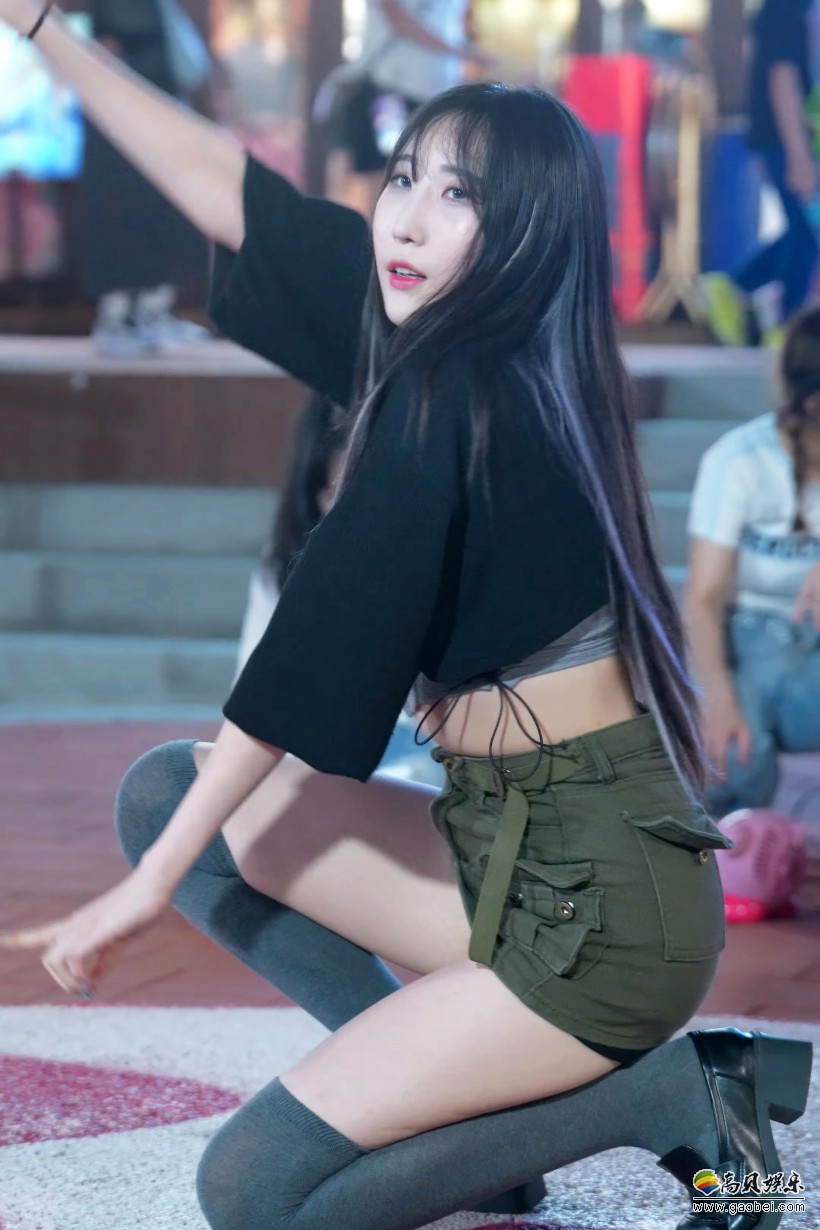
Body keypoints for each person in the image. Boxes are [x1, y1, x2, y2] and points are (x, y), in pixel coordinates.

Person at [0, 5, 812, 1229]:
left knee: (259, 1195)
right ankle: (480, 1137)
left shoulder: (462, 392)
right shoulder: (432, 331)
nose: (409, 219)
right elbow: (239, 200)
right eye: (403, 178)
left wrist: (146, 892)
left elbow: (305, 657)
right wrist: (45, 28)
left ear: (526, 232)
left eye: (458, 196)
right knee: (171, 793)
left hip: (601, 914)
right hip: (498, 844)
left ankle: (679, 1091)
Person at [234, 393, 444, 787]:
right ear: (314, 494)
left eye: (364, 492)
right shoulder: (288, 563)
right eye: (336, 492)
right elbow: (257, 694)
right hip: (310, 755)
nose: (352, 513)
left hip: (421, 753)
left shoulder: (433, 560)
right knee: (176, 768)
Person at [684, 306, 820, 819]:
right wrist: (716, 701)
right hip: (752, 636)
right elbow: (703, 599)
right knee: (736, 761)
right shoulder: (741, 459)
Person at [79, 0, 212, 356]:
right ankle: (116, 319)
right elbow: (106, 48)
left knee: (165, 215)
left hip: (156, 116)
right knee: (121, 215)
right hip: (120, 121)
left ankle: (151, 312)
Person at [700, 0, 818, 348]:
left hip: (792, 137)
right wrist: (799, 155)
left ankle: (734, 288)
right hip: (787, 137)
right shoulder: (786, 8)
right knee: (806, 234)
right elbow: (782, 78)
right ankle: (786, 327)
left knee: (803, 231)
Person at [322, 0, 491, 215]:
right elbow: (399, 21)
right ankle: (372, 233)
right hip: (389, 88)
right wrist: (463, 52)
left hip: (435, 96)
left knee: (420, 173)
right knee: (388, 173)